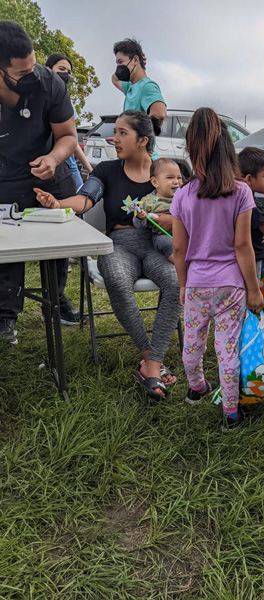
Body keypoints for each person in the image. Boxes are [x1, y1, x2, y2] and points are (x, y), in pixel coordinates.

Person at [34, 110, 181, 400]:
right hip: (119, 243)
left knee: (174, 280)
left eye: (123, 133)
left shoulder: (165, 172)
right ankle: (150, 357)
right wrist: (58, 203)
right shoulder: (106, 171)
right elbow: (87, 198)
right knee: (115, 276)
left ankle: (151, 364)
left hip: (157, 243)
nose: (114, 138)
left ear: (142, 140)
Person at [170, 107, 264, 432]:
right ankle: (230, 414)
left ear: (191, 150)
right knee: (227, 351)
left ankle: (197, 387)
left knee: (192, 347)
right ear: (228, 149)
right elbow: (242, 246)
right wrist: (254, 289)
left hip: (196, 285)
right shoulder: (242, 192)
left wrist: (183, 285)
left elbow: (179, 249)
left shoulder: (182, 195)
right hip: (232, 288)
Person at [0, 20, 80, 344]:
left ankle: (56, 298)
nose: (32, 77)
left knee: (58, 243)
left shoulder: (50, 84)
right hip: (5, 175)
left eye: (33, 67)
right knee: (8, 247)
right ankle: (6, 315)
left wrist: (54, 158)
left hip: (48, 171)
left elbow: (68, 136)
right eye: (22, 73)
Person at [45, 53, 93, 189]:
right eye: (61, 69)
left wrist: (89, 169)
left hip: (68, 164)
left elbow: (72, 140)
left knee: (78, 202)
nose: (65, 74)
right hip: (44, 166)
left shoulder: (66, 103)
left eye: (68, 72)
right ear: (48, 69)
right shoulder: (36, 99)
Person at [237, 147, 264, 276]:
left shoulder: (247, 198)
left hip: (257, 254)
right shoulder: (250, 205)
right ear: (249, 179)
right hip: (252, 259)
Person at [133, 158, 183, 263]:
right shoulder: (148, 201)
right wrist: (140, 216)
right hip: (163, 235)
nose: (176, 182)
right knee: (163, 241)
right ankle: (179, 261)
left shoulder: (184, 198)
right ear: (155, 182)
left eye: (179, 177)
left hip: (184, 232)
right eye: (170, 177)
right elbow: (139, 225)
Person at [111, 38, 166, 124]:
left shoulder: (146, 86)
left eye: (121, 62)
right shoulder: (129, 87)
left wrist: (138, 135)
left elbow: (159, 115)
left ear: (135, 60)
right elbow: (114, 79)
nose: (119, 67)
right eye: (117, 63)